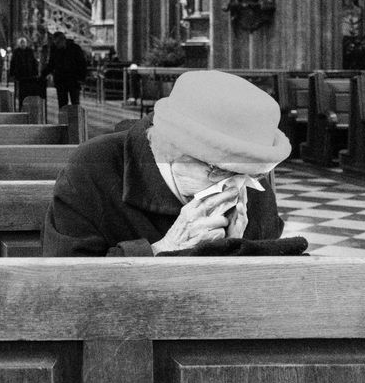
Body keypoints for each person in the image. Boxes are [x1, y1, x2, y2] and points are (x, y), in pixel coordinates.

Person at [42, 70, 291, 256]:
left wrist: (237, 253)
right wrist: (163, 250)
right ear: (172, 149)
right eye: (218, 172)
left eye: (249, 177)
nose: (233, 190)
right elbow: (64, 287)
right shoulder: (92, 169)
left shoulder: (249, 186)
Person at [41, 31, 88, 108]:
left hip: (73, 80)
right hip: (61, 81)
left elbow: (82, 64)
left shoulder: (75, 48)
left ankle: (75, 119)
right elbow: (51, 64)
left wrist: (81, 78)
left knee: (75, 103)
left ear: (63, 40)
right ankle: (63, 118)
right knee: (62, 104)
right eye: (55, 43)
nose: (56, 45)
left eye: (58, 43)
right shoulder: (55, 49)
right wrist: (43, 74)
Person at [10, 36, 40, 106]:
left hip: (29, 74)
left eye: (24, 43)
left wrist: (35, 72)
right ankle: (21, 104)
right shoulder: (16, 51)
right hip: (19, 74)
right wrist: (12, 73)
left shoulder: (30, 51)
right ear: (19, 44)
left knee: (28, 90)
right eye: (21, 43)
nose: (23, 44)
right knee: (21, 91)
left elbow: (33, 61)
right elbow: (13, 62)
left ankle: (27, 103)